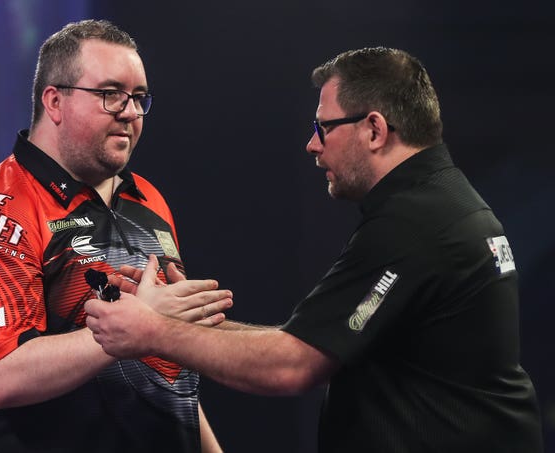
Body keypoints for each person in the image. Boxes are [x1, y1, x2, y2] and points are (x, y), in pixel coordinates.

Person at [85, 47, 544, 452]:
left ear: (374, 130)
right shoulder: (442, 201)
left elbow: (292, 365)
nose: (312, 145)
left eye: (323, 127)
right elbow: (314, 343)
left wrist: (152, 333)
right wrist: (180, 323)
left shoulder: (416, 223)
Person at [0, 19, 232, 453]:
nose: (130, 112)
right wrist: (134, 326)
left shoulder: (148, 199)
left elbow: (169, 370)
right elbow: (2, 376)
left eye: (138, 98)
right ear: (54, 101)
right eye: (111, 94)